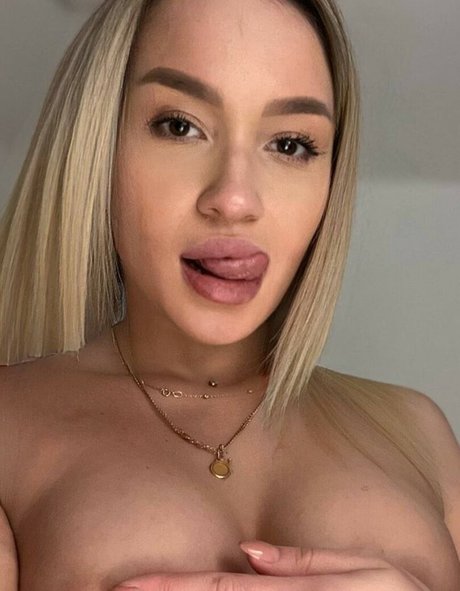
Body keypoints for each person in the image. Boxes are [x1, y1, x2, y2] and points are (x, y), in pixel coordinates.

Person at [0, 0, 458, 589]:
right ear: (98, 145)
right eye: (180, 126)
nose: (236, 199)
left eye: (290, 144)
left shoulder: (421, 433)